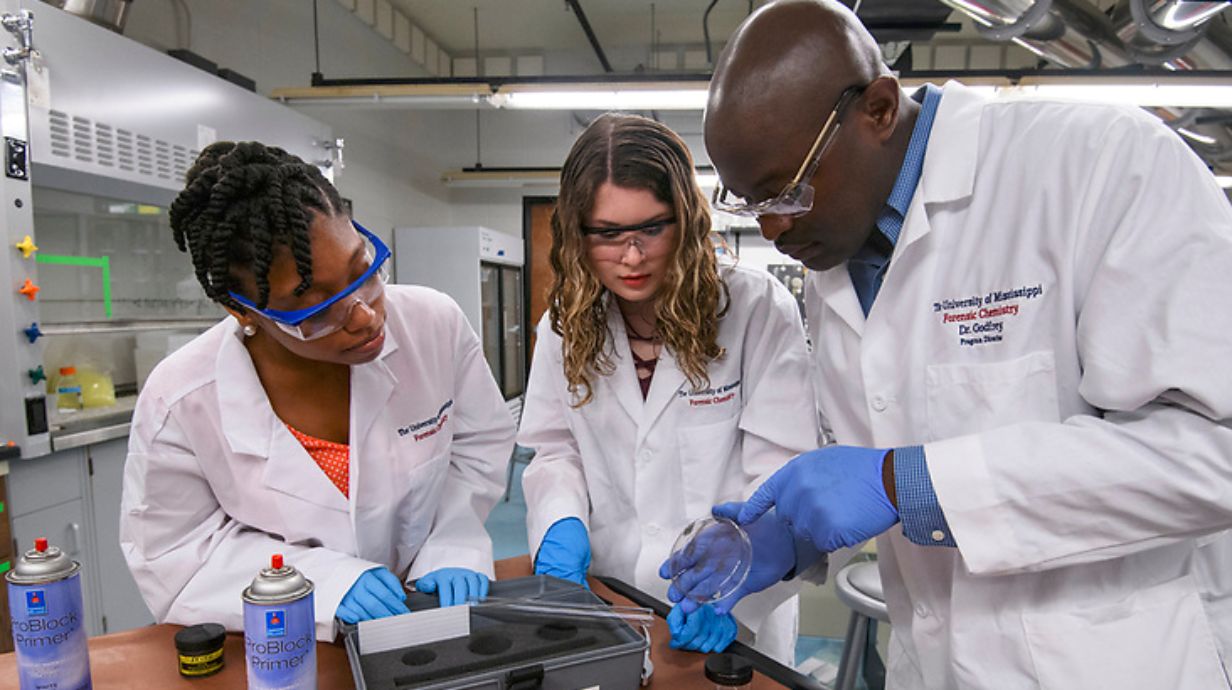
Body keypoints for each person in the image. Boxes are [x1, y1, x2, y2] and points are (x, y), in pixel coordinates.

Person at [665, 1, 1232, 687]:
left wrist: (910, 483)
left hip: (1113, 662)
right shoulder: (835, 259)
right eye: (752, 206)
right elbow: (886, 447)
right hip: (932, 664)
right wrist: (789, 539)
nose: (777, 232)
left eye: (788, 191)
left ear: (877, 109)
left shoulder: (1100, 164)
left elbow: (1211, 455)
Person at [121, 141, 516, 639]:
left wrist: (453, 543)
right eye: (315, 308)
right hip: (286, 640)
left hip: (426, 621)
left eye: (362, 270)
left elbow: (478, 447)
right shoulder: (181, 397)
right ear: (242, 310)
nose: (364, 315)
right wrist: (323, 585)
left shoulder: (432, 324)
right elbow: (174, 556)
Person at [517, 113, 818, 663]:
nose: (631, 257)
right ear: (576, 232)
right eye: (607, 234)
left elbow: (784, 469)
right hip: (611, 595)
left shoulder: (753, 309)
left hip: (733, 606)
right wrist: (560, 523)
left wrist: (737, 581)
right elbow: (555, 448)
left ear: (686, 218)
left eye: (651, 228)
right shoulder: (563, 326)